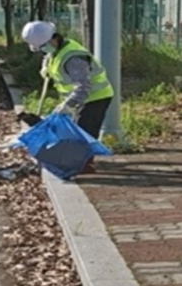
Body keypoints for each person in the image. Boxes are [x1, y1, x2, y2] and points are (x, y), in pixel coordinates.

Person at [21, 21, 115, 174]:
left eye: (43, 46)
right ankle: (77, 161)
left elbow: (84, 86)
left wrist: (69, 105)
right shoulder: (57, 49)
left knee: (84, 132)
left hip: (96, 97)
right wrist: (46, 67)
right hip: (80, 98)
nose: (43, 50)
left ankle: (84, 165)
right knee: (74, 131)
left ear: (54, 38)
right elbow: (51, 57)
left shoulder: (73, 58)